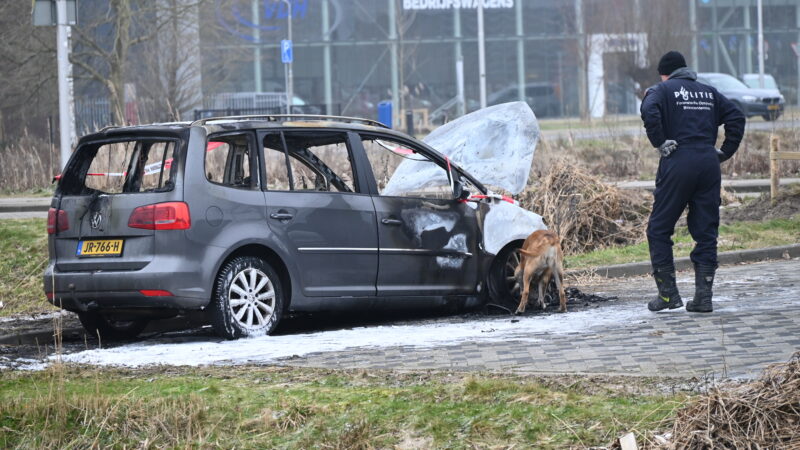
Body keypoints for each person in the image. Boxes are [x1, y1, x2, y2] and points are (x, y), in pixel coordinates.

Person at [640, 51, 745, 313]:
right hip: (708, 164)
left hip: (678, 161)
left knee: (659, 229)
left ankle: (668, 296)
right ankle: (703, 298)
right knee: (706, 232)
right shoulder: (709, 92)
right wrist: (725, 151)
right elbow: (737, 117)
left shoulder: (661, 90)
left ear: (665, 73)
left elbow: (649, 110)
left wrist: (660, 142)